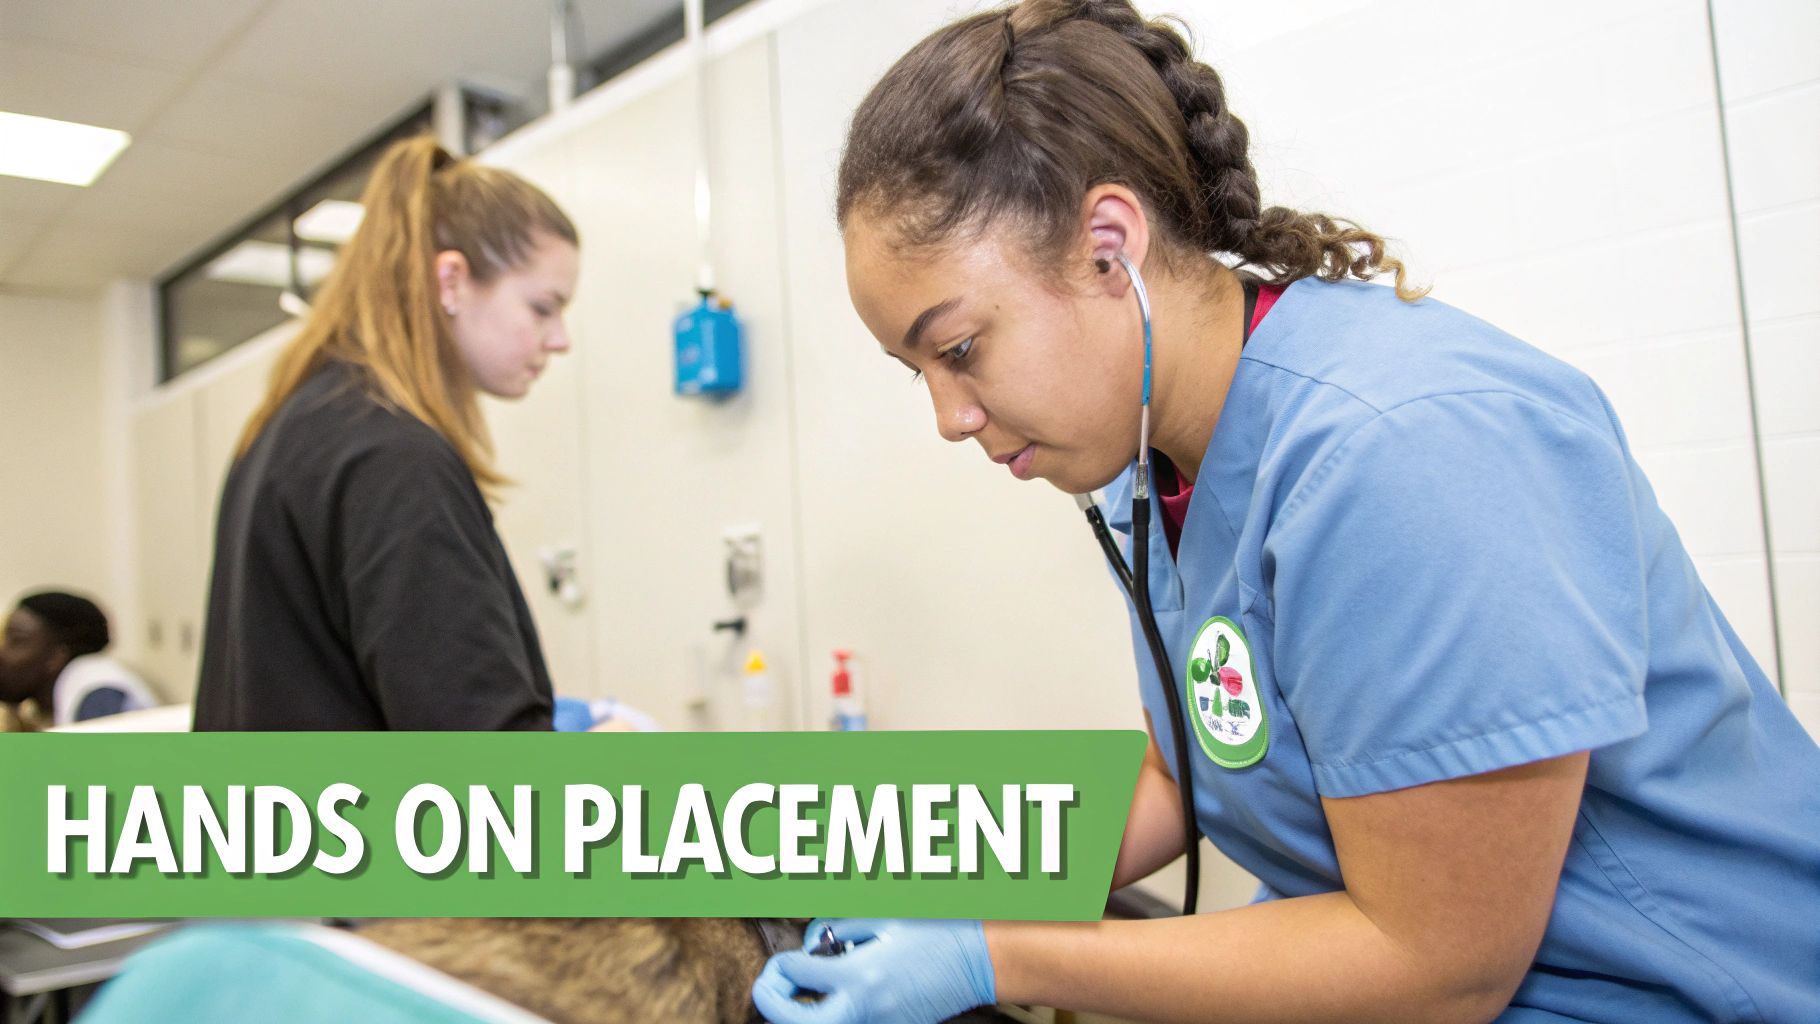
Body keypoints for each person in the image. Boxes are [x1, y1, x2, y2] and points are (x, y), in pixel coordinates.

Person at [752, 2, 1820, 1022]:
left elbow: (1435, 965)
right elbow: (1181, 773)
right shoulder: (1159, 462)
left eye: (958, 349)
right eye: (916, 372)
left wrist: (996, 951)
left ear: (1107, 246)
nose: (946, 415)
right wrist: (938, 877)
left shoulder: (1405, 449)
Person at [193, 135, 579, 731]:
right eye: (542, 307)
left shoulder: (289, 425)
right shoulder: (396, 460)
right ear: (451, 281)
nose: (560, 340)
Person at [0, 591, 157, 729]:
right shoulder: (41, 707)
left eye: (16, 640)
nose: (2, 652)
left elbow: (98, 759)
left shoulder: (96, 689)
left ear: (56, 656)